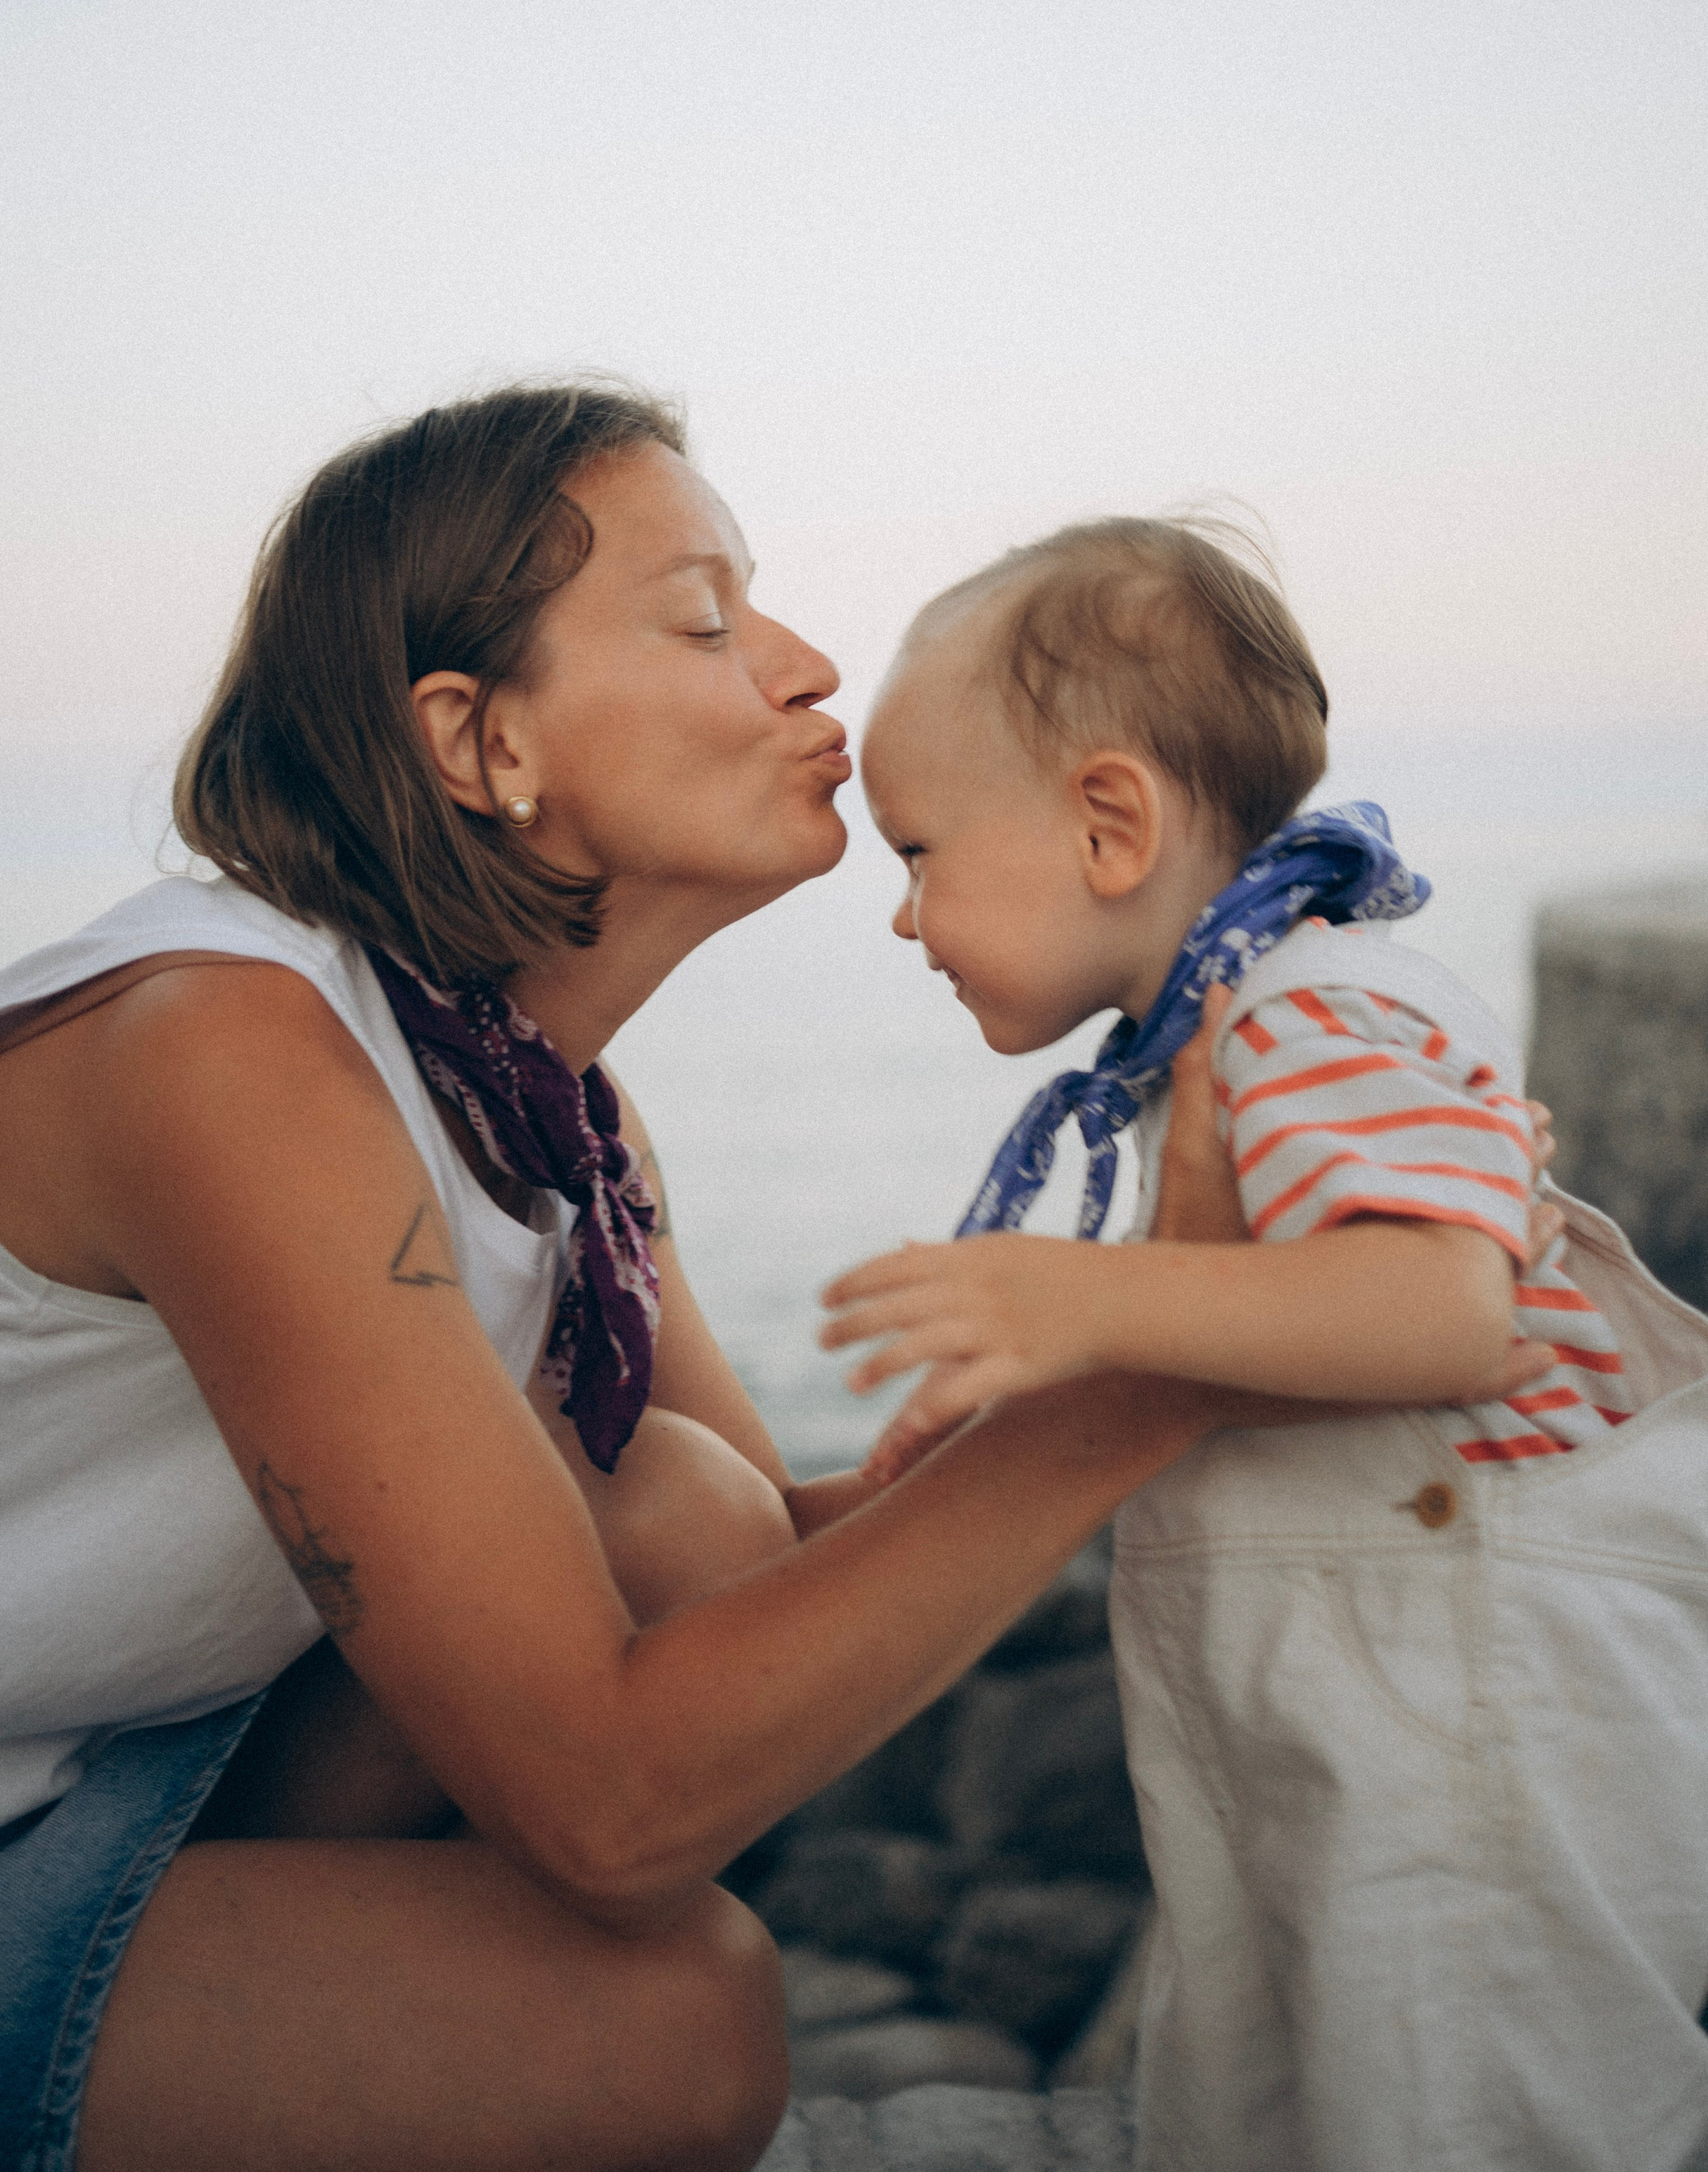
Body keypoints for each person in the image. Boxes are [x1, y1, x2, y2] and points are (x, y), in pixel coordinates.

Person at [0, 391, 1495, 2172]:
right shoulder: (228, 1052)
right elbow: (615, 1808)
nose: (802, 668)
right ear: (480, 746)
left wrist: (970, 1439)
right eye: (709, 620)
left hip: (117, 1777)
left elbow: (763, 1571)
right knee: (678, 2029)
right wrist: (1166, 1346)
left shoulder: (558, 1122)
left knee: (688, 1520)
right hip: (65, 1814)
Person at [823, 516, 1708, 2172]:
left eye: (916, 852)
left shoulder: (1307, 1007)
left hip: (1472, 1717)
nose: (903, 916)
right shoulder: (1247, 1019)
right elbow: (1281, 1329)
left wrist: (1079, 1299)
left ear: (1107, 821)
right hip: (1375, 1695)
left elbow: (1440, 1309)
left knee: (1473, 2112)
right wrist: (1041, 1388)